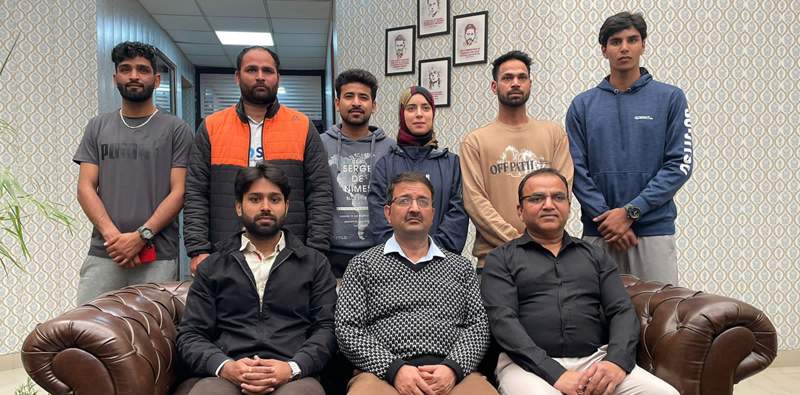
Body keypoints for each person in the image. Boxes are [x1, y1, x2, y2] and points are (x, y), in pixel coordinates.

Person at [481, 168, 678, 395]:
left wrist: (616, 361)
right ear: (520, 210)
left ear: (568, 207)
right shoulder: (501, 258)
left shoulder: (595, 255)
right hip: (525, 364)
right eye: (536, 198)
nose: (548, 205)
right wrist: (555, 373)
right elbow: (502, 322)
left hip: (594, 360)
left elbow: (622, 311)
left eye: (558, 197)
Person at [176, 163, 337, 395]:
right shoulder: (213, 266)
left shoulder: (314, 264)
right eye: (255, 199)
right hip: (228, 372)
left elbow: (327, 329)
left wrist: (292, 367)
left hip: (293, 374)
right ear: (239, 207)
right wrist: (225, 366)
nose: (265, 207)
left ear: (287, 206)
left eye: (274, 199)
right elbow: (191, 334)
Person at [337, 172, 497, 395]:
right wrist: (394, 370)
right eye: (404, 200)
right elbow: (348, 329)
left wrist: (452, 369)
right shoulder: (362, 265)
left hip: (455, 376)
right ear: (388, 213)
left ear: (432, 214)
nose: (414, 208)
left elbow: (479, 326)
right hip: (381, 377)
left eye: (423, 201)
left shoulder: (460, 267)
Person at [565, 12, 693, 285]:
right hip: (600, 232)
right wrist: (607, 219)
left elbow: (679, 165)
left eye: (632, 40)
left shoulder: (670, 98)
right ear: (604, 50)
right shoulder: (582, 105)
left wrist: (631, 212)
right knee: (597, 320)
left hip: (652, 231)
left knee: (660, 319)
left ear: (643, 45)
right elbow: (575, 168)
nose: (624, 47)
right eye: (615, 41)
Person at [184, 45, 333, 275]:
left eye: (268, 71)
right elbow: (195, 192)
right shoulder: (212, 127)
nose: (260, 77)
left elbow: (320, 191)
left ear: (278, 78)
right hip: (224, 252)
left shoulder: (302, 126)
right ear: (237, 77)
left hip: (290, 254)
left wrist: (317, 249)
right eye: (251, 70)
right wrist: (198, 249)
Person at [73, 41, 192, 305]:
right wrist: (116, 240)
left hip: (156, 255)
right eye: (125, 69)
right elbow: (85, 187)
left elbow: (180, 191)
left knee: (151, 336)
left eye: (142, 70)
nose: (134, 76)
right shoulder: (97, 126)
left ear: (157, 79)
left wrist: (141, 236)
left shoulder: (176, 130)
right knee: (88, 329)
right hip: (106, 252)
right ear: (115, 79)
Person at [460, 50, 574, 272]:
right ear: (495, 87)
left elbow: (563, 191)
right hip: (495, 260)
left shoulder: (554, 134)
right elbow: (475, 201)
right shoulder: (475, 141)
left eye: (522, 78)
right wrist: (518, 240)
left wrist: (538, 238)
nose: (515, 83)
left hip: (550, 257)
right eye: (507, 78)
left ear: (530, 84)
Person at [368, 86, 468, 254]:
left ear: (433, 113)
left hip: (442, 261)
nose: (419, 114)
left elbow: (458, 213)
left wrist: (430, 252)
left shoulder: (451, 163)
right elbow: (379, 214)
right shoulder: (385, 164)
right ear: (402, 114)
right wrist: (402, 251)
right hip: (394, 262)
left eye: (425, 107)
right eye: (411, 108)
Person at [321, 69, 395, 279]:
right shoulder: (321, 144)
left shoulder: (390, 147)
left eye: (363, 97)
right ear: (337, 104)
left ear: (373, 106)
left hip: (379, 249)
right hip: (331, 252)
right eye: (348, 96)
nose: (356, 103)